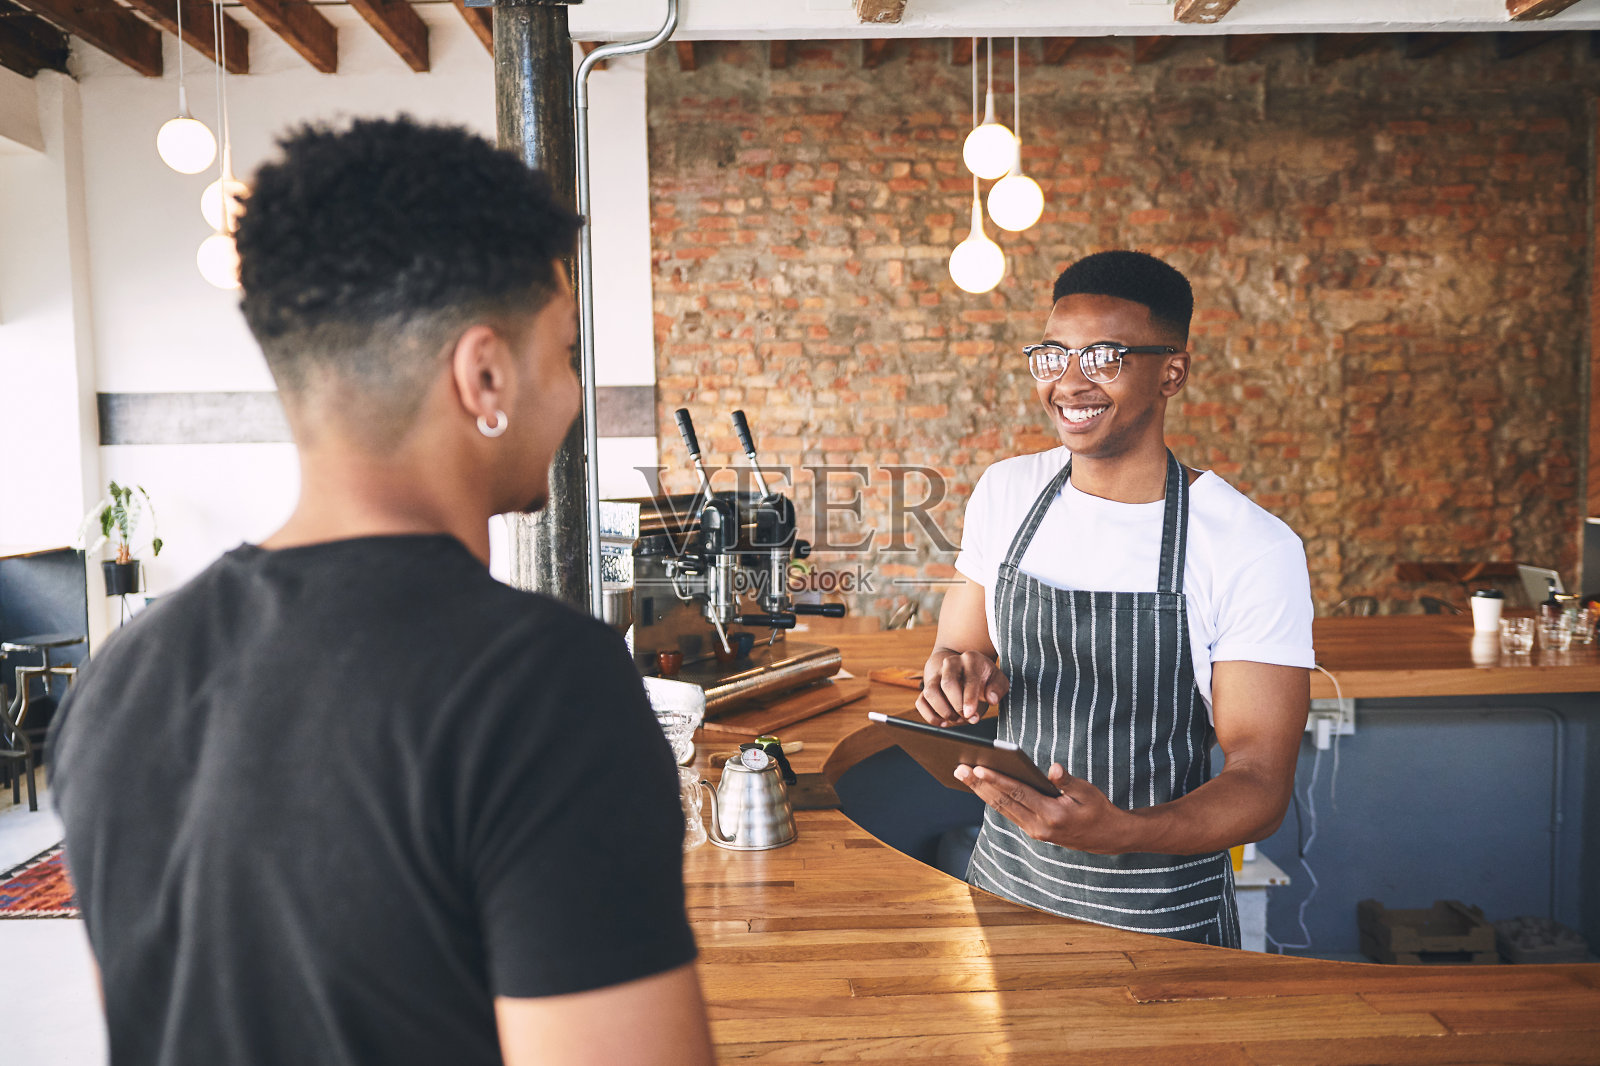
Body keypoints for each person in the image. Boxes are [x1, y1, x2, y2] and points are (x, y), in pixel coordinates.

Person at [49, 117, 715, 1065]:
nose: (571, 392)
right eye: (566, 351)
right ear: (485, 372)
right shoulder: (539, 685)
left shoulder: (122, 678)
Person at [918, 250, 1313, 948]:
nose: (1069, 383)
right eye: (1052, 356)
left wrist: (1124, 833)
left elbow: (1260, 783)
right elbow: (962, 647)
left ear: (1172, 371)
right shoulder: (1007, 494)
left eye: (1103, 357)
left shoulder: (1250, 545)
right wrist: (956, 677)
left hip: (1159, 918)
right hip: (1005, 888)